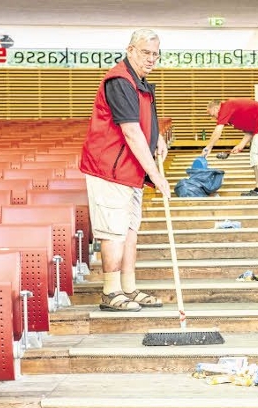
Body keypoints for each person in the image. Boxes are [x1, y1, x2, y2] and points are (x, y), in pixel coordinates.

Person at [80, 28, 171, 312]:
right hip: (109, 168)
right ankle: (111, 291)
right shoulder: (120, 80)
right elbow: (130, 130)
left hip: (130, 171)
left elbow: (143, 121)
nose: (151, 58)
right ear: (130, 50)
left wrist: (156, 136)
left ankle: (128, 288)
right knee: (114, 232)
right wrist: (156, 176)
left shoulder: (141, 83)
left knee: (130, 231)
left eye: (156, 54)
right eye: (146, 52)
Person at [202, 98, 258, 196]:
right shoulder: (231, 112)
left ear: (216, 108)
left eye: (212, 114)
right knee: (255, 156)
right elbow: (250, 130)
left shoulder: (226, 107)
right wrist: (241, 145)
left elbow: (218, 131)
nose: (213, 118)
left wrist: (208, 147)